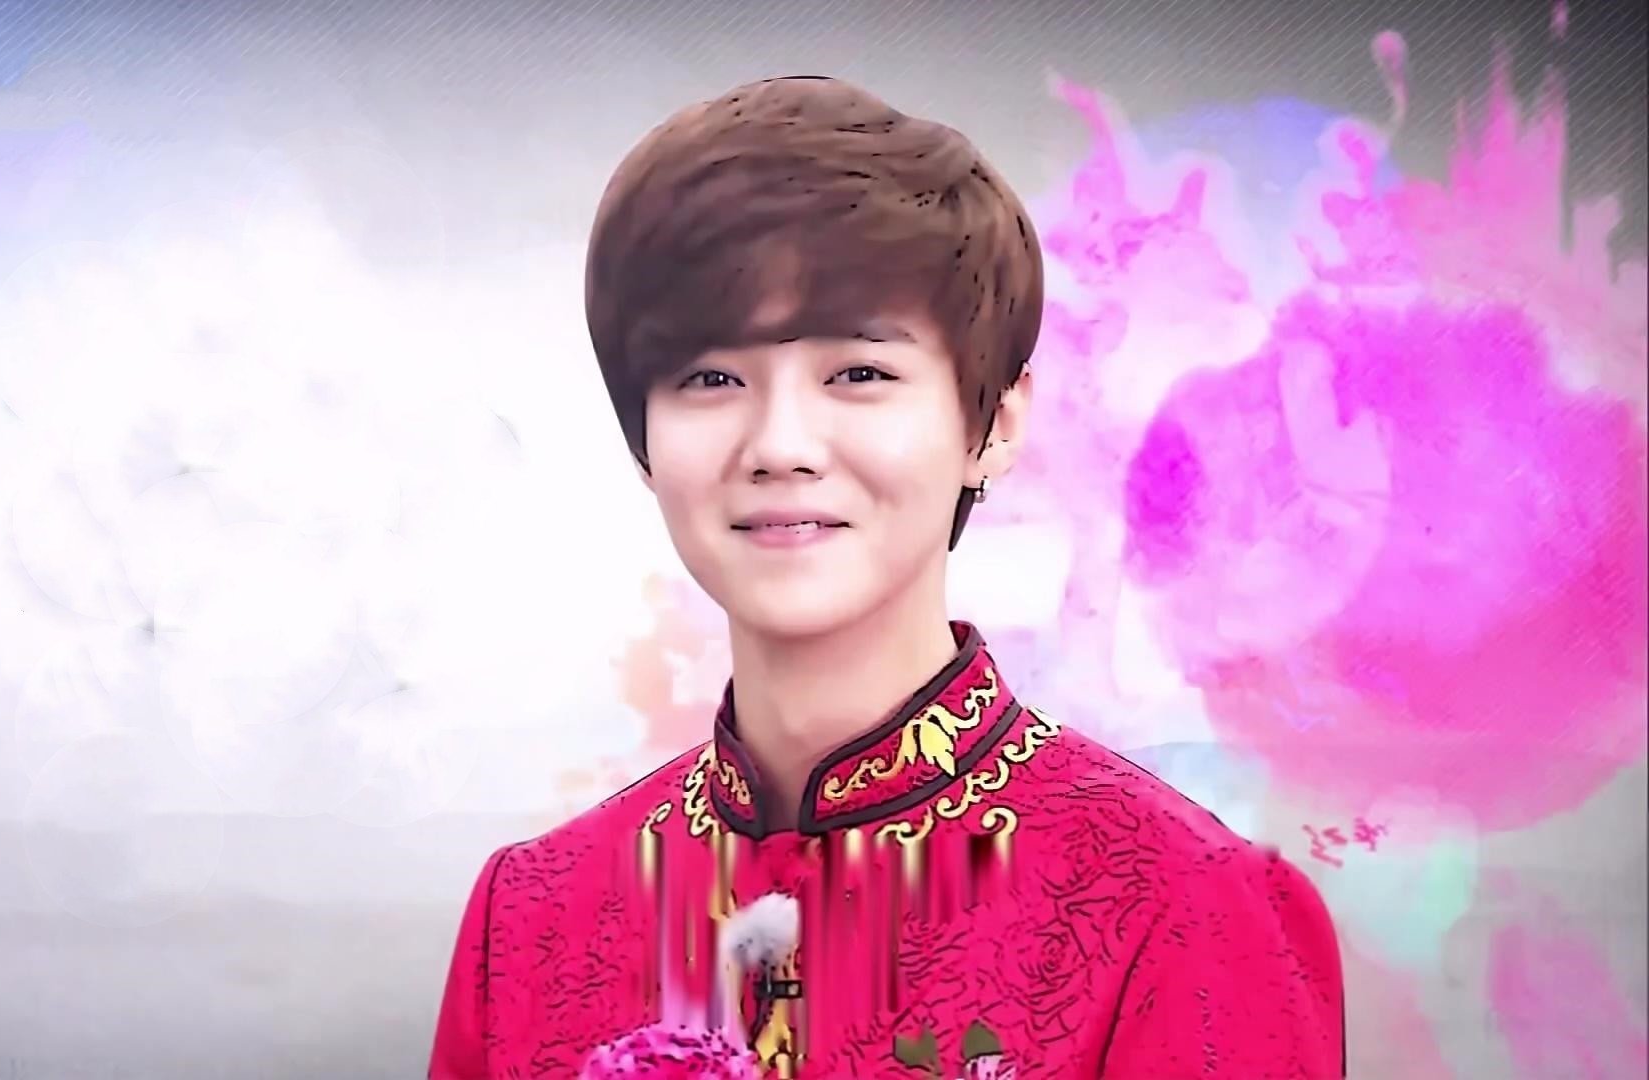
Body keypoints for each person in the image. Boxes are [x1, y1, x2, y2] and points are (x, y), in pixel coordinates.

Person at [430, 75, 1344, 1079]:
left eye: (859, 374)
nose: (780, 446)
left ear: (993, 424)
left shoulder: (1182, 907)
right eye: (710, 378)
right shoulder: (531, 916)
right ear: (643, 440)